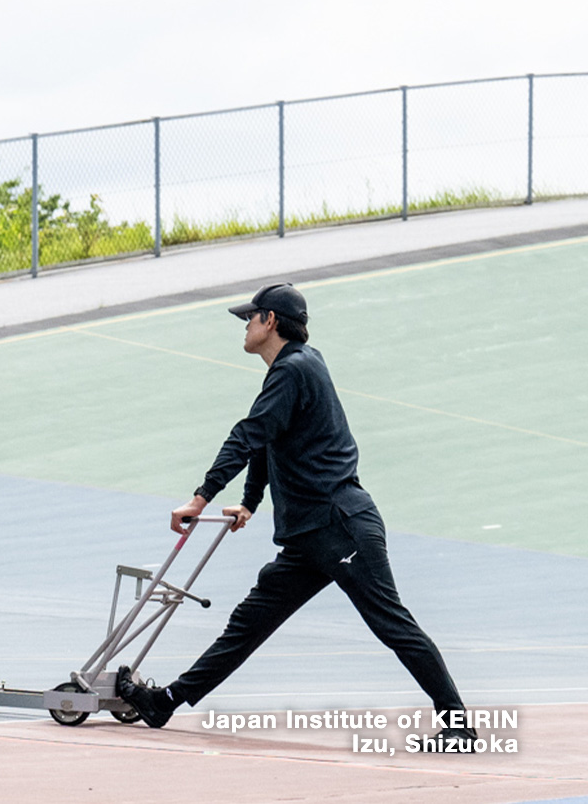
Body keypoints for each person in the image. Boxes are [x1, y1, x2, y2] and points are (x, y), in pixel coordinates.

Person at [115, 283, 469, 737]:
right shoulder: (295, 368)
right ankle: (165, 702)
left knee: (392, 625)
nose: (245, 325)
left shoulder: (294, 370)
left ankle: (458, 725)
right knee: (248, 623)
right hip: (309, 536)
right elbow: (266, 440)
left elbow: (247, 434)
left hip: (340, 526)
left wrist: (200, 497)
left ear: (271, 322)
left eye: (251, 316)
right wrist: (248, 501)